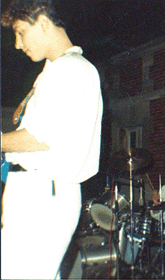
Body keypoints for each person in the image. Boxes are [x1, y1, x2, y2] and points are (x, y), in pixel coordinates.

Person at [1, 0, 103, 279]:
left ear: (43, 23)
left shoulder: (70, 70)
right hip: (36, 190)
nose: (17, 44)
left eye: (20, 32)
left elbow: (37, 139)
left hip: (44, 193)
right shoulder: (55, 70)